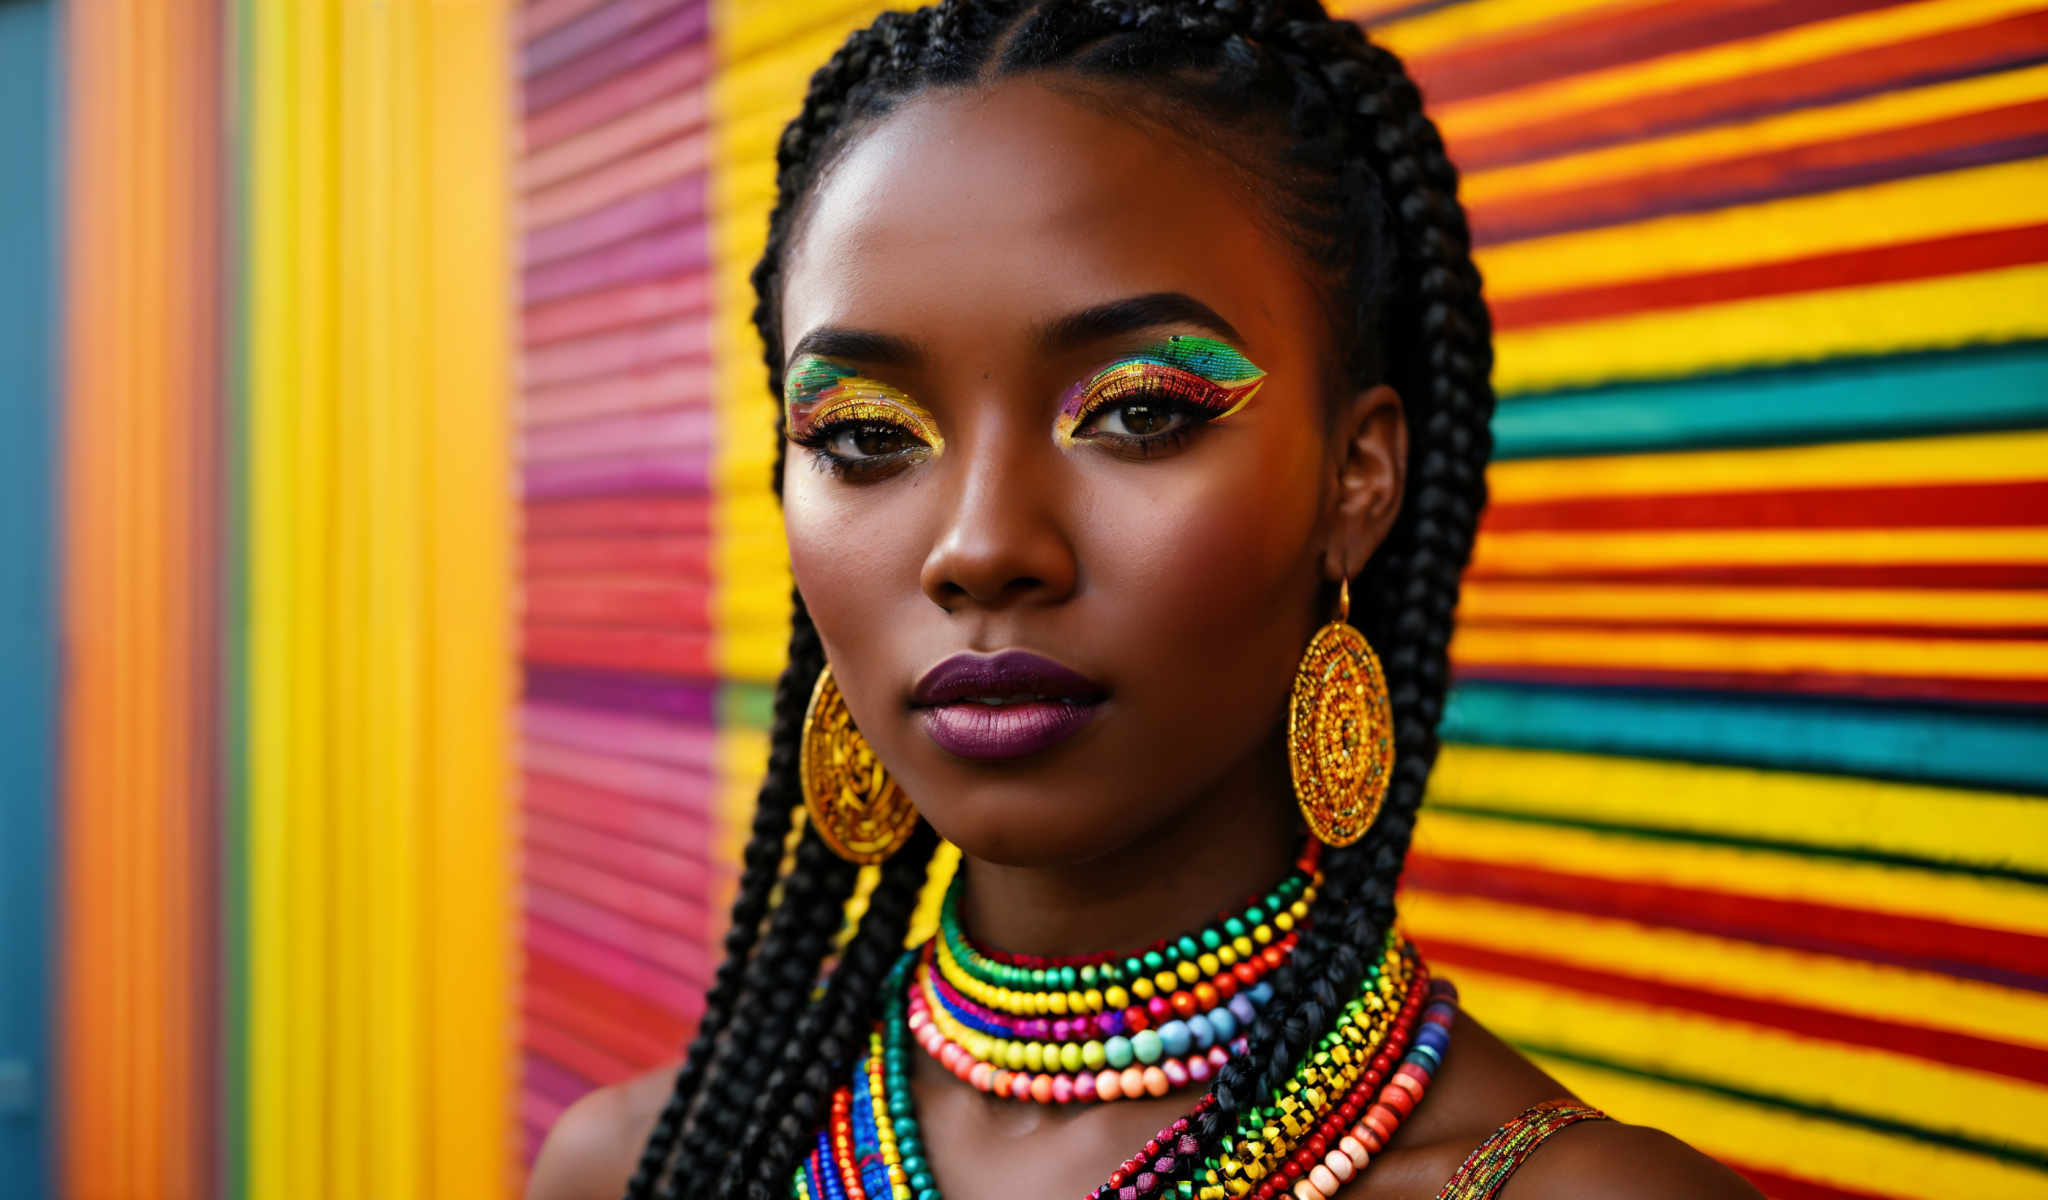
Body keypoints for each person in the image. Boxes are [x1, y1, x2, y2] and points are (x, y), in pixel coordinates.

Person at [530, 2, 1766, 1197]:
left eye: (1137, 412)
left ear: (1355, 477)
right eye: (862, 436)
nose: (980, 546)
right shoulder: (640, 1170)